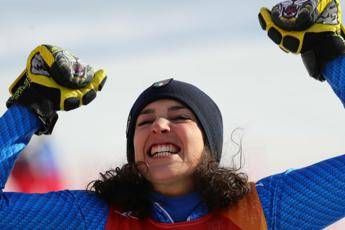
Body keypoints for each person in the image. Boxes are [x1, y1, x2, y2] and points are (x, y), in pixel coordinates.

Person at [0, 0, 345, 229]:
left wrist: (331, 55)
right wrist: (31, 107)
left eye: (180, 117)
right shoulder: (96, 219)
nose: (159, 126)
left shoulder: (262, 211)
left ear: (209, 145)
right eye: (144, 121)